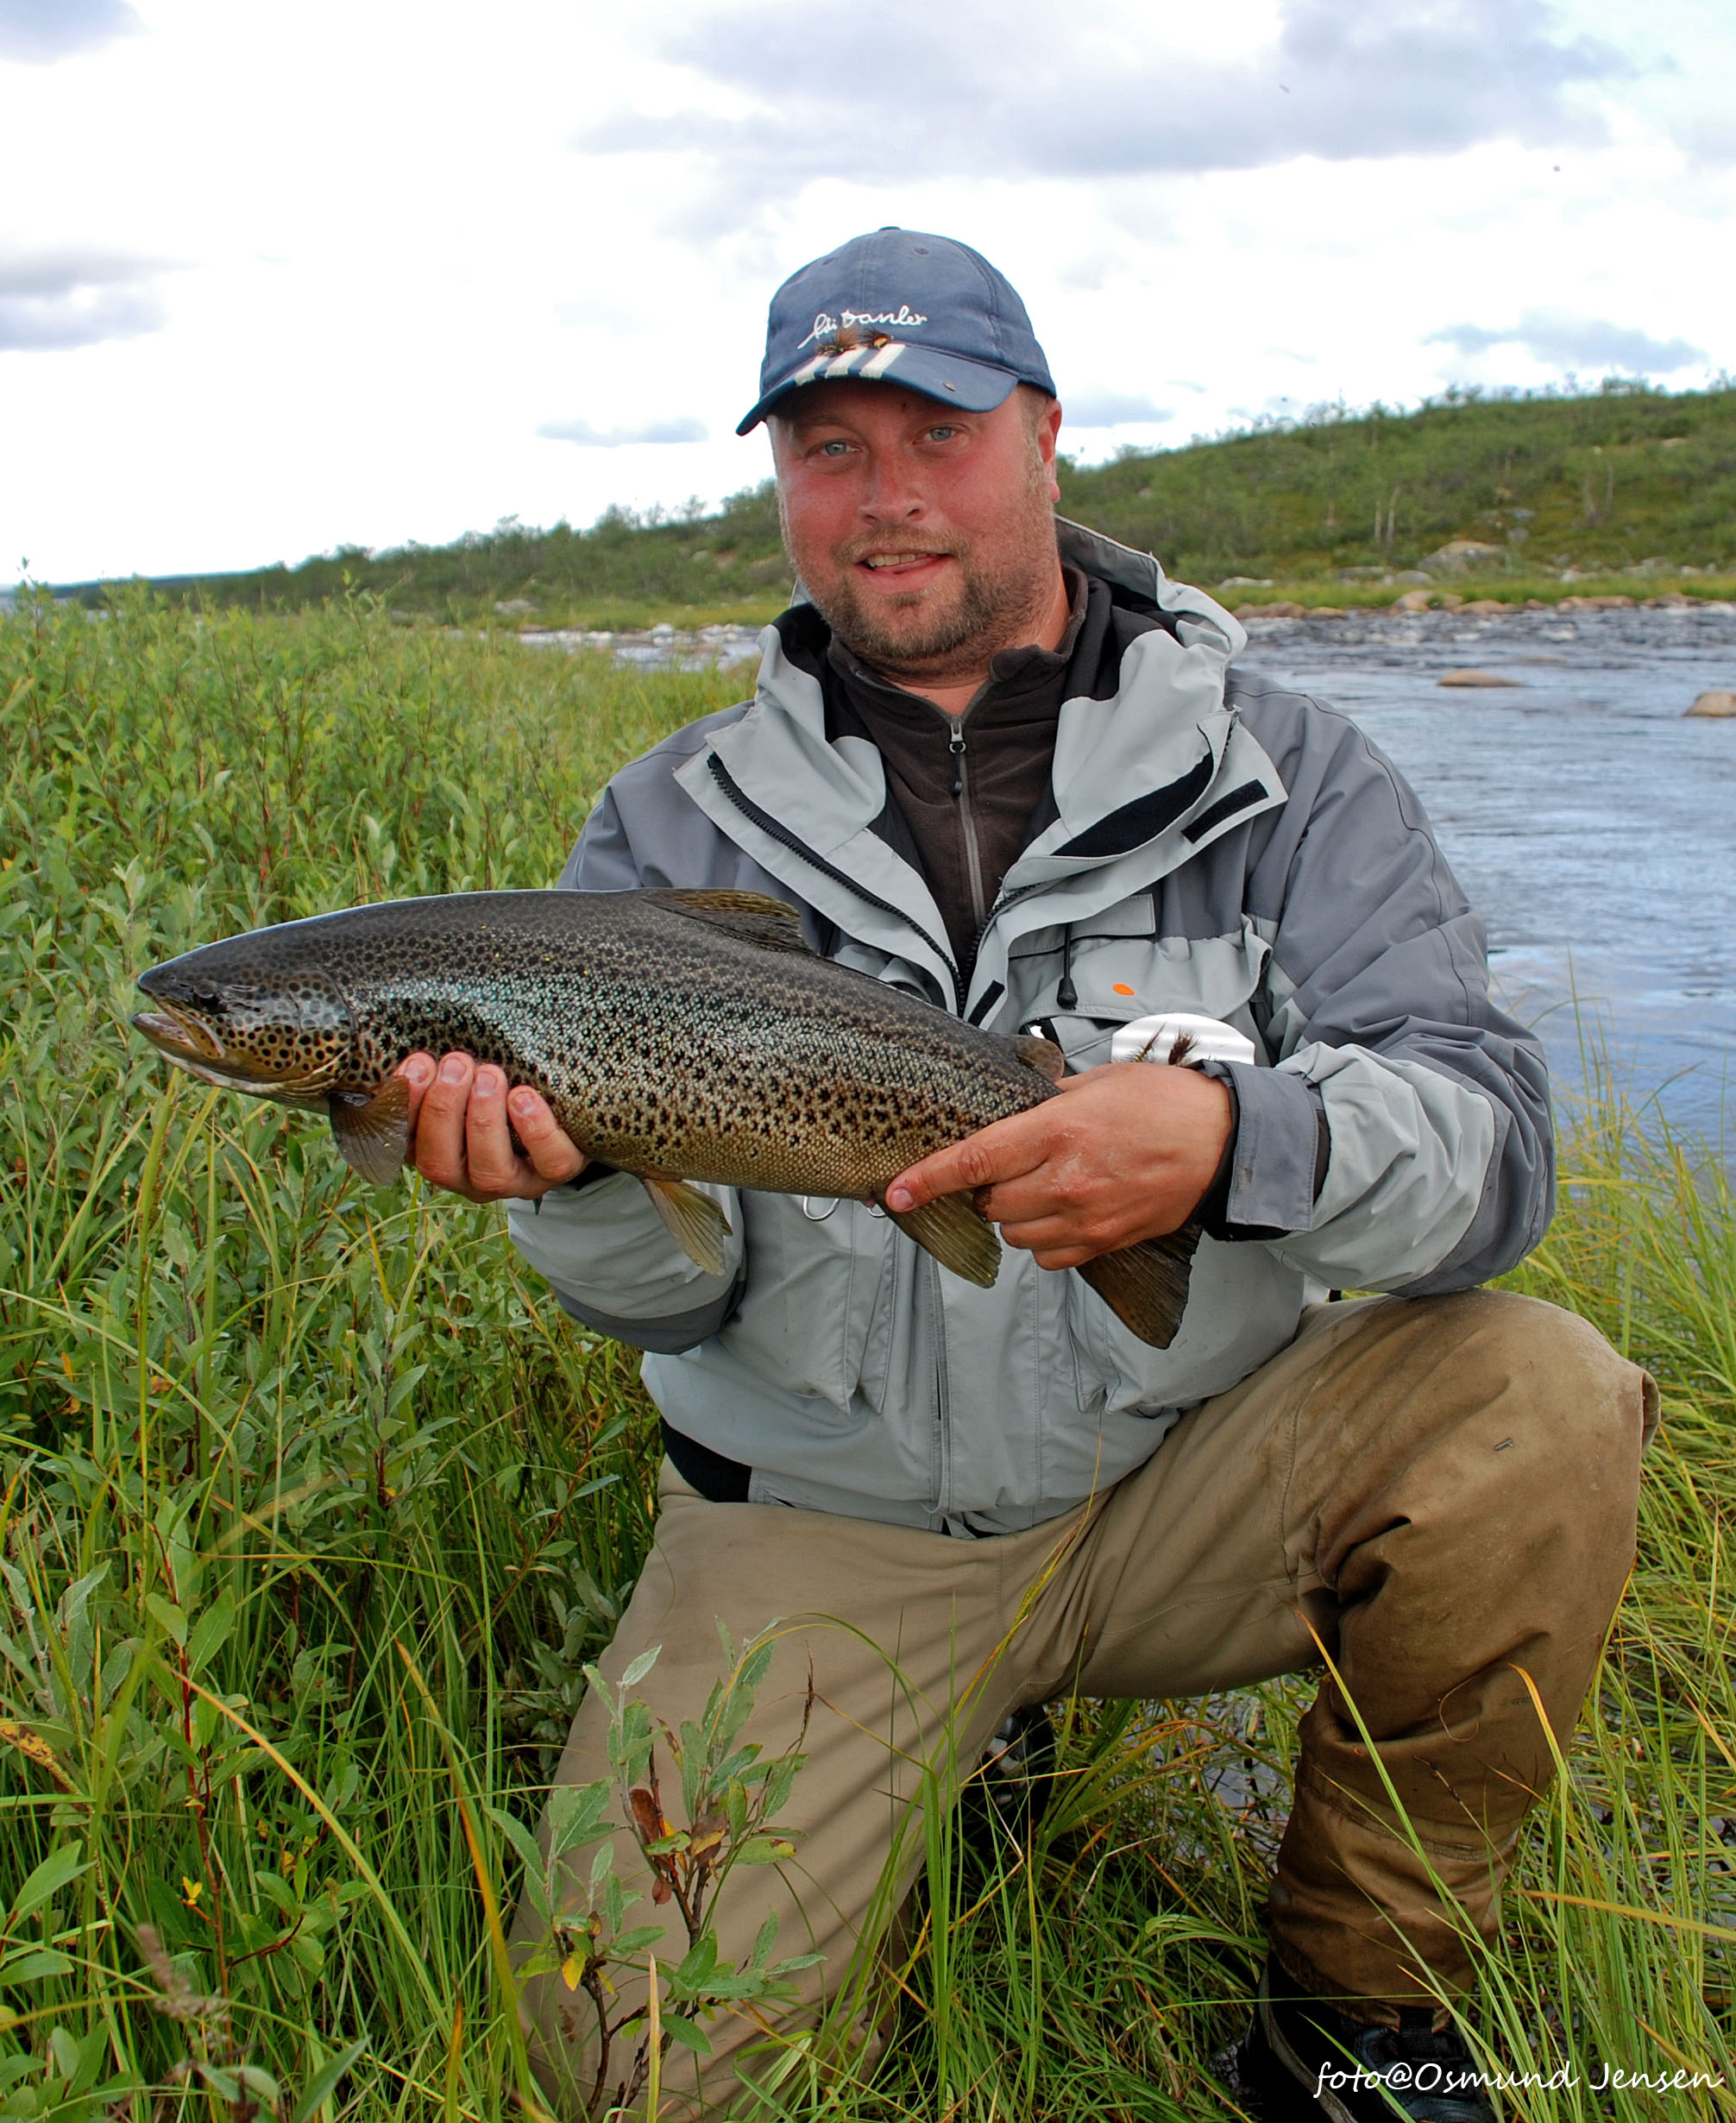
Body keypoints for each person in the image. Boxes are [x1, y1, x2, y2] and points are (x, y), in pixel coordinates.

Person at [395, 230, 1654, 2120]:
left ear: (1046, 436)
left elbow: (1495, 1160)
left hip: (1185, 1474)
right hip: (824, 1526)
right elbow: (670, 1298)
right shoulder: (666, 826)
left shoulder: (1287, 777)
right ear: (779, 480)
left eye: (939, 433)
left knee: (1537, 1398)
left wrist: (1237, 1142)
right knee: (627, 2076)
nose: (884, 496)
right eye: (828, 447)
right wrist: (569, 1185)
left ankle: (1355, 2019)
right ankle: (951, 1761)